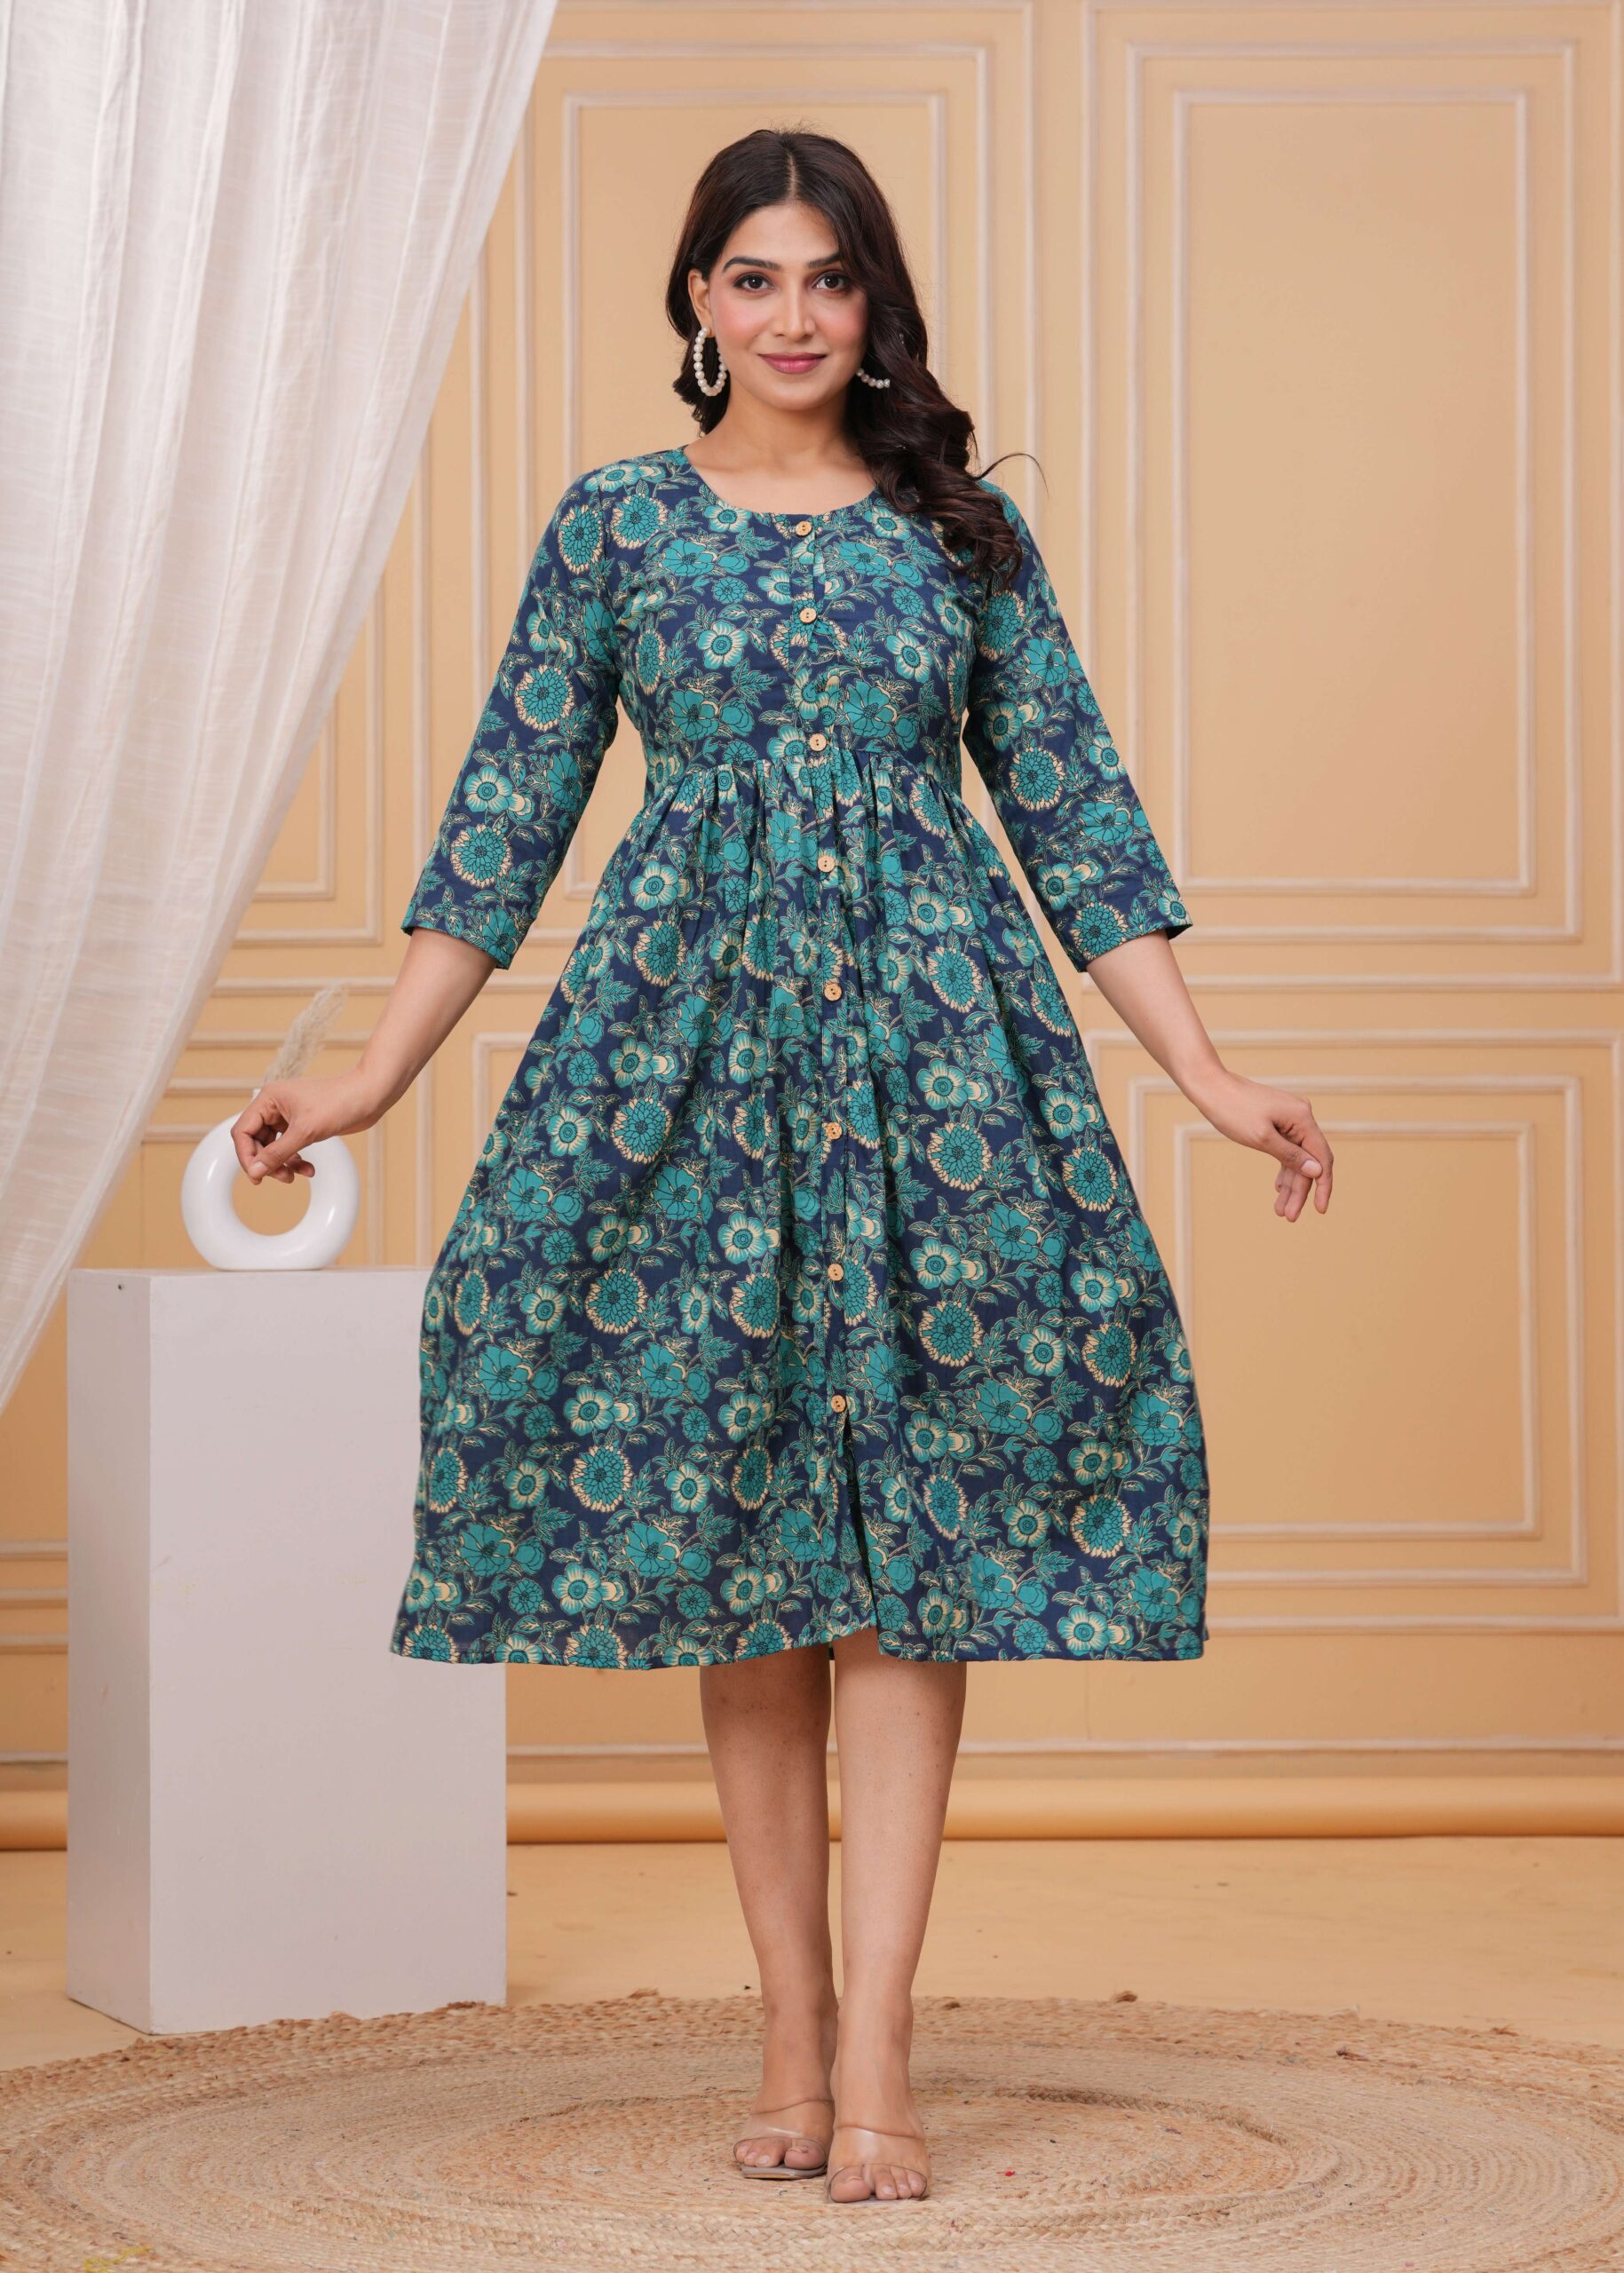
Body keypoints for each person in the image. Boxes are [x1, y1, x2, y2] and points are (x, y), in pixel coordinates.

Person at [232, 126, 1334, 2208]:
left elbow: (1076, 812)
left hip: (935, 1063)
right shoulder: (618, 525)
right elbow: (508, 814)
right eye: (754, 277)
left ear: (873, 301)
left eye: (830, 278)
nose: (795, 314)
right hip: (686, 1063)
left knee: (910, 1561)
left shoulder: (959, 534)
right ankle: (790, 2029)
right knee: (743, 1544)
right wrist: (369, 1080)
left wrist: (1207, 1071)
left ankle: (886, 2040)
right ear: (698, 301)